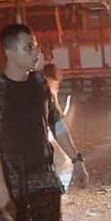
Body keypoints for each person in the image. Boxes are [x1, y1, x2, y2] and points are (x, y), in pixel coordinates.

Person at [0, 24, 89, 221]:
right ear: (9, 53)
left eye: (35, 46)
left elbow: (57, 123)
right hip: (13, 184)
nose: (36, 52)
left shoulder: (40, 84)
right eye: (28, 47)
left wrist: (76, 160)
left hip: (45, 180)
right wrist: (3, 193)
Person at [42, 62, 75, 192]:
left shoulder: (50, 86)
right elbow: (53, 115)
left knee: (61, 162)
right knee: (63, 162)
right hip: (47, 133)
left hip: (48, 132)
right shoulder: (49, 87)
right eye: (59, 71)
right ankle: (61, 188)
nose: (62, 73)